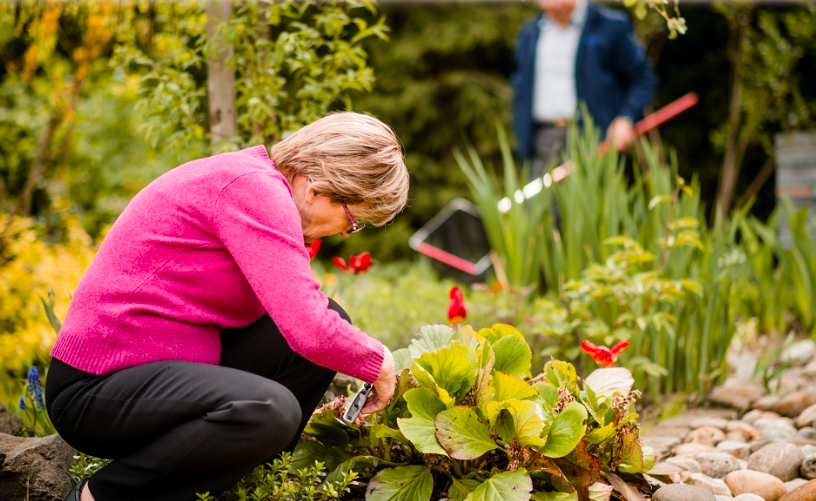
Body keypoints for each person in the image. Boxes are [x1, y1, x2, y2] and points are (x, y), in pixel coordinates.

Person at [45, 112, 409, 501]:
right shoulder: (253, 190)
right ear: (316, 187)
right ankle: (99, 496)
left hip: (165, 374)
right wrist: (381, 361)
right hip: (97, 388)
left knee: (331, 319)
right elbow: (307, 326)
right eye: (352, 220)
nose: (344, 232)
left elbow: (309, 320)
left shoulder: (261, 187)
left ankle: (250, 483)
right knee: (270, 408)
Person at [511, 0, 657, 179]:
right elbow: (521, 89)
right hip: (542, 142)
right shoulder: (529, 34)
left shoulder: (609, 26)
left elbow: (642, 78)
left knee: (590, 205)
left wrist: (626, 118)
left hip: (595, 140)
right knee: (538, 206)